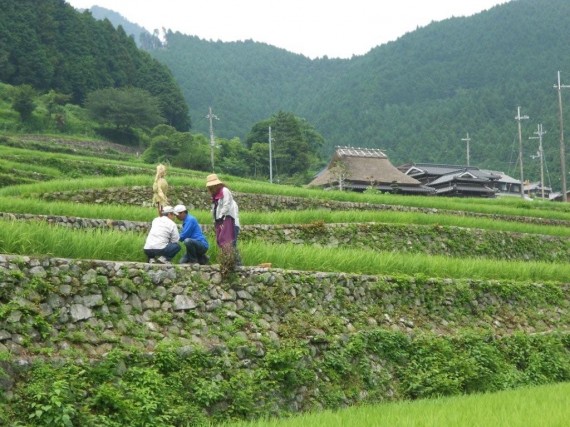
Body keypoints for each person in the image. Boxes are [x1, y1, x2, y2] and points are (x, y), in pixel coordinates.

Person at [205, 173, 241, 265]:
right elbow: (214, 211)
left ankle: (235, 265)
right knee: (225, 243)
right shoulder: (215, 197)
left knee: (229, 243)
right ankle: (233, 264)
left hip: (230, 222)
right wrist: (216, 221)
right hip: (222, 222)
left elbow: (226, 205)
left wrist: (221, 217)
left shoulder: (224, 191)